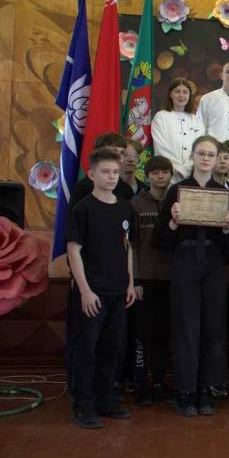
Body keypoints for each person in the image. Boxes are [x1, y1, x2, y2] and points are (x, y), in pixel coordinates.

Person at [153, 135, 229, 417]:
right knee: (186, 327)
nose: (205, 159)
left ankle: (205, 389)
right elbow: (159, 239)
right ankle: (185, 391)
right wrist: (173, 222)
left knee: (213, 327)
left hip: (213, 264)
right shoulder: (177, 191)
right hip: (185, 262)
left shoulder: (224, 192)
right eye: (201, 153)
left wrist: (227, 229)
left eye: (211, 155)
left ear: (217, 160)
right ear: (192, 156)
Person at [66, 147, 137, 428]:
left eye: (115, 172)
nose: (111, 177)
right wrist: (84, 290)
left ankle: (105, 400)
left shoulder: (125, 207)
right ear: (92, 174)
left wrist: (130, 282)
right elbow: (74, 250)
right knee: (86, 350)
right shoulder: (83, 208)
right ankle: (83, 405)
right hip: (92, 291)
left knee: (112, 349)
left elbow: (128, 246)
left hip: (118, 290)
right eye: (105, 172)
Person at [129, 155, 174, 406]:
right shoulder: (135, 204)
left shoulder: (177, 202)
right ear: (147, 176)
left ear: (171, 175)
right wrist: (135, 279)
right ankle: (140, 382)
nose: (160, 176)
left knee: (163, 334)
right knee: (141, 334)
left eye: (164, 172)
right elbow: (132, 245)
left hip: (170, 278)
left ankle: (159, 381)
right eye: (155, 172)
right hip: (144, 279)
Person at [151, 78, 204, 183]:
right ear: (171, 94)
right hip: (168, 176)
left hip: (193, 176)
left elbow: (201, 148)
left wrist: (188, 169)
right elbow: (161, 148)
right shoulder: (161, 117)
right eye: (177, 91)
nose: (181, 95)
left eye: (185, 92)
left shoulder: (196, 120)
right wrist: (179, 170)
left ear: (189, 96)